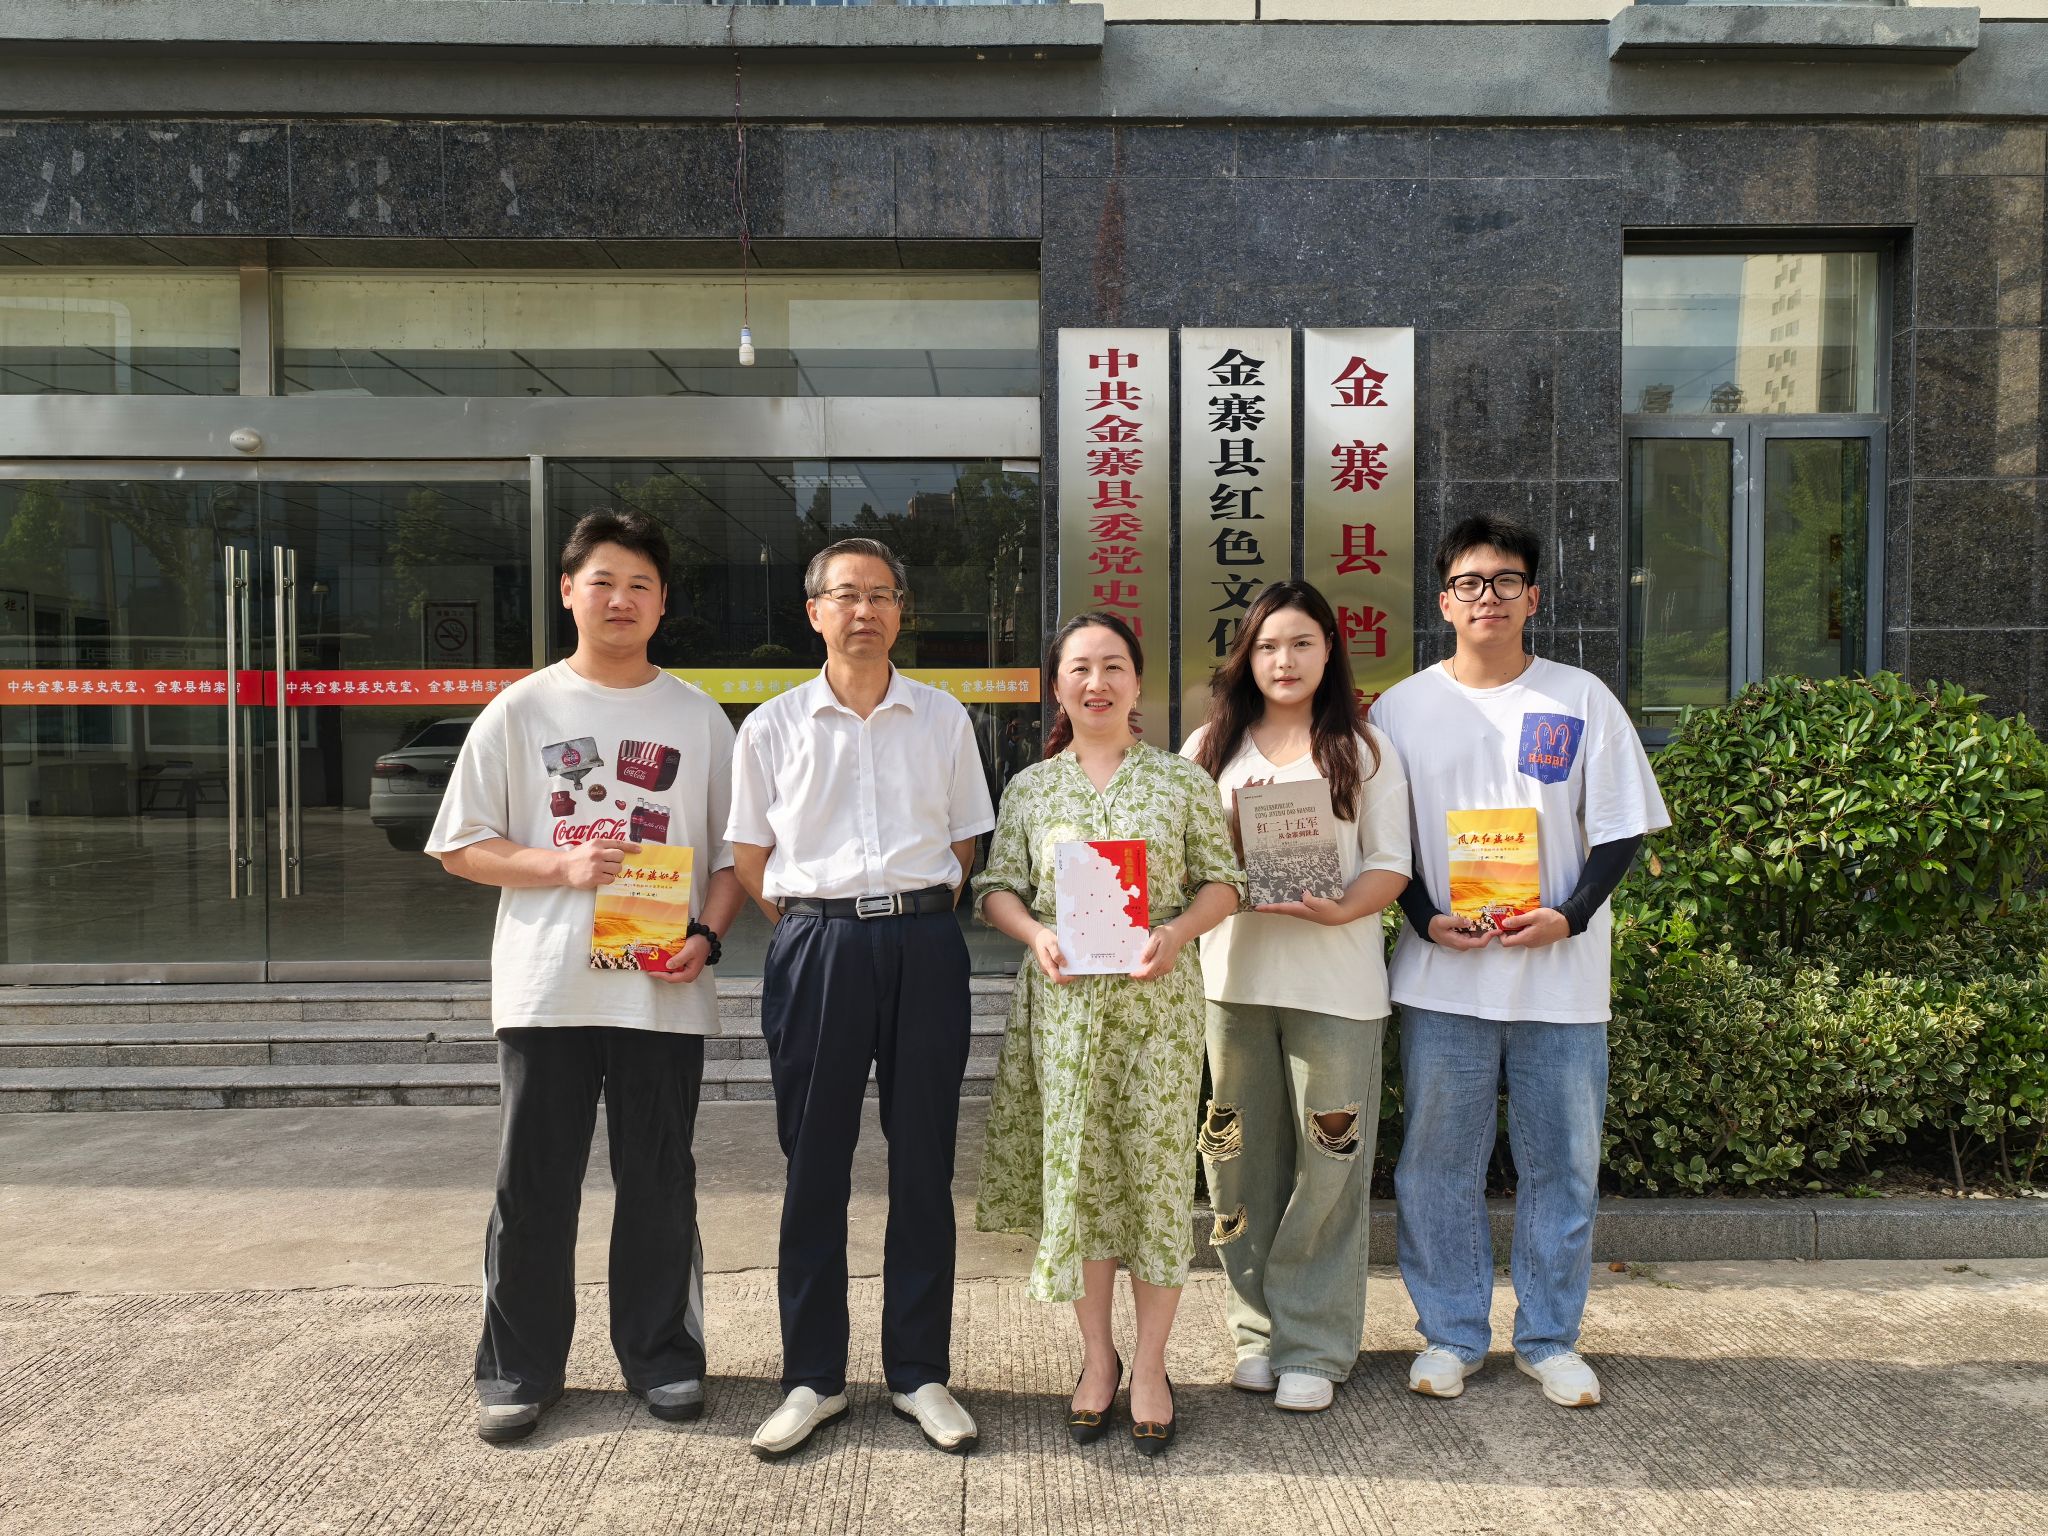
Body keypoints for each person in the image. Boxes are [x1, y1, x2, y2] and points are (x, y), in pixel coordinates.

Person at [427, 507, 745, 1444]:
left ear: (663, 602)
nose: (620, 599)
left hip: (661, 986)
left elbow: (735, 857)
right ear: (568, 591)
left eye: (640, 584)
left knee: (660, 1183)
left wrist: (709, 936)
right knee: (533, 1186)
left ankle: (664, 1358)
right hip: (547, 986)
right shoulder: (522, 710)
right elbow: (462, 846)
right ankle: (518, 1368)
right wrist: (560, 866)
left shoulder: (696, 717)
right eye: (602, 581)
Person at [1372, 514, 1669, 1410]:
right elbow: (1385, 844)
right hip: (1443, 980)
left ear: (1533, 597)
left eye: (1506, 581)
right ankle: (1452, 1334)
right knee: (1435, 1167)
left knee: (1562, 1167)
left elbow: (1620, 827)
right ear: (1444, 602)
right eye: (1469, 583)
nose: (1488, 597)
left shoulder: (1580, 698)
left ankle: (1549, 1339)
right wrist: (1423, 919)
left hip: (1560, 983)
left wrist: (1569, 917)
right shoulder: (1400, 710)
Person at [725, 536, 996, 1460]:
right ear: (815, 612)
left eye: (881, 594)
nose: (865, 610)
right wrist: (822, 923)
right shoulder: (771, 728)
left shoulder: (943, 718)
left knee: (924, 1160)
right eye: (846, 595)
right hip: (819, 945)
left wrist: (903, 915)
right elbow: (751, 859)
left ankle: (919, 1373)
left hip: (924, 942)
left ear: (901, 610)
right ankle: (813, 1377)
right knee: (814, 1165)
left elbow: (963, 845)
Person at [975, 613, 1245, 1455]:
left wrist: (1177, 932)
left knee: (1155, 1183)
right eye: (1080, 668)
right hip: (1064, 1013)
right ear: (1057, 685)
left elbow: (1223, 882)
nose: (1097, 683)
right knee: (1083, 1185)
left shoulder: (1180, 781)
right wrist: (1034, 933)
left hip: (1157, 1011)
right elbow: (995, 887)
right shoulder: (1031, 789)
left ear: (1137, 682)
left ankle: (1153, 1367)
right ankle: (1099, 1361)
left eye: (1114, 666)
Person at [1182, 580, 1411, 1414]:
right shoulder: (1208, 748)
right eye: (1269, 645)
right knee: (1235, 1163)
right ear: (1247, 656)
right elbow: (1183, 862)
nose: (1285, 660)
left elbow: (1392, 862)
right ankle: (1255, 1331)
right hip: (1233, 985)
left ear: (1329, 651)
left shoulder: (1364, 749)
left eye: (1302, 643)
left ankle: (1313, 1343)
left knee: (1329, 1165)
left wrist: (1344, 908)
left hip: (1336, 988)